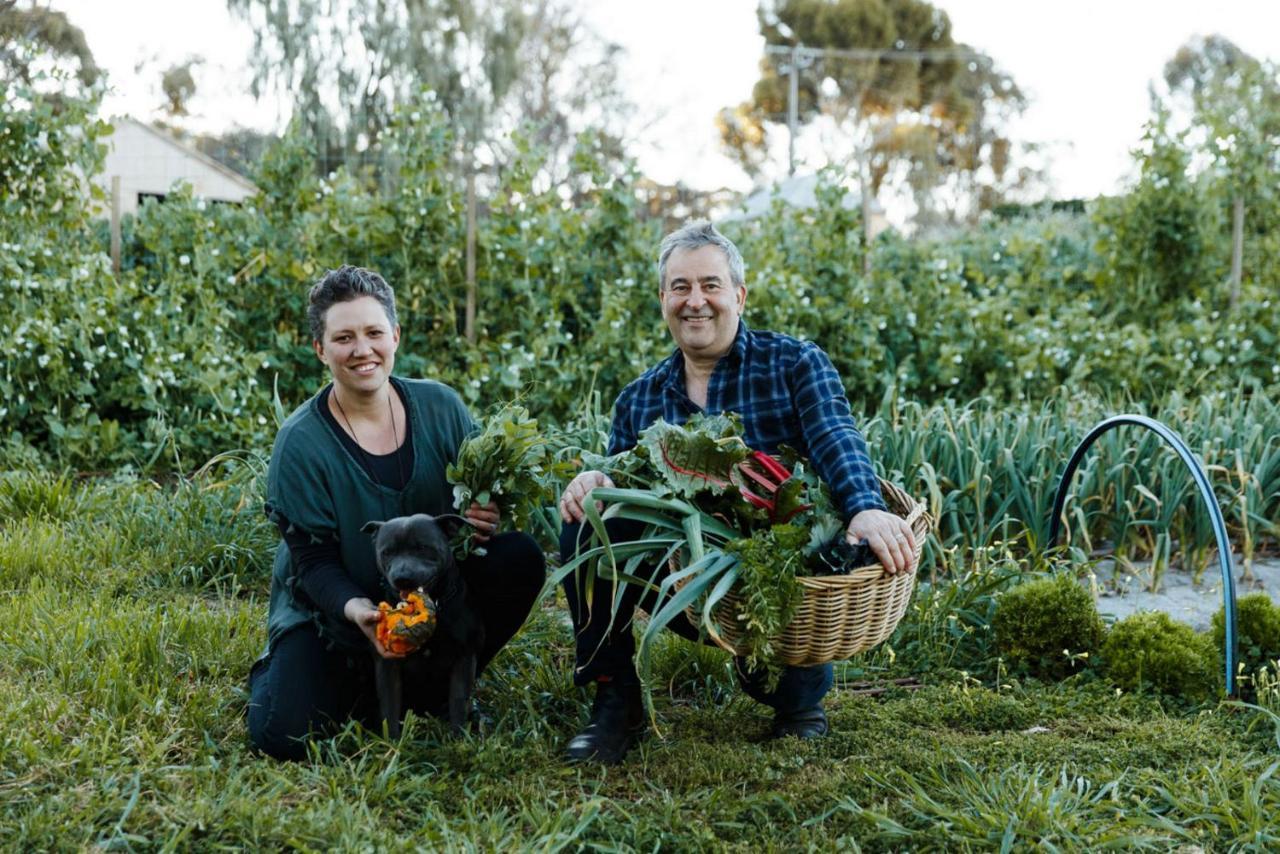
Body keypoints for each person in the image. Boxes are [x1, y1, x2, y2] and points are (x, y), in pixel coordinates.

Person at [557, 220, 918, 764]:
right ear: (662, 300)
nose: (694, 301)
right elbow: (621, 476)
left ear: (739, 296)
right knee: (586, 517)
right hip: (685, 580)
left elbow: (835, 436)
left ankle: (798, 700)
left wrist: (866, 507)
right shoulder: (639, 398)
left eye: (710, 285)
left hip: (782, 580)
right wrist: (597, 483)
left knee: (788, 659)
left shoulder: (794, 364)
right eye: (680, 287)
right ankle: (616, 700)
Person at [248, 265, 545, 760]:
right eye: (343, 337)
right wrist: (361, 613)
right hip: (336, 612)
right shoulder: (301, 443)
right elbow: (313, 563)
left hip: (435, 601)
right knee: (283, 733)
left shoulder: (441, 407)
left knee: (519, 557)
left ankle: (439, 681)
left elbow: (483, 512)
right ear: (321, 349)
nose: (362, 350)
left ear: (395, 336)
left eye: (373, 333)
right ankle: (347, 674)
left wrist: (487, 513)